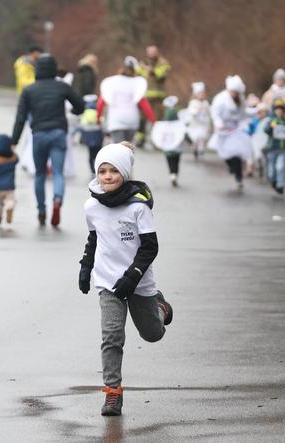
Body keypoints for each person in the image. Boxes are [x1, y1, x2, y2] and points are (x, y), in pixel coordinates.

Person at [78, 142, 173, 417]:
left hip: (138, 281)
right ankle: (112, 393)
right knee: (112, 336)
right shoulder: (91, 206)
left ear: (125, 173)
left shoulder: (138, 208)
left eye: (113, 171)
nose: (107, 176)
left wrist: (133, 275)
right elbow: (94, 238)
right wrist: (86, 266)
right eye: (102, 171)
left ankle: (160, 306)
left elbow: (149, 247)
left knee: (153, 334)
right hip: (108, 281)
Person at [11, 54, 84, 227]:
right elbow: (80, 106)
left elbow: (20, 117)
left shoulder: (29, 90)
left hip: (39, 135)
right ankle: (57, 200)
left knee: (40, 174)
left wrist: (14, 141)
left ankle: (41, 209)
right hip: (59, 133)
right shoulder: (62, 86)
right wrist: (73, 112)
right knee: (58, 173)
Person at [208, 75, 253, 189]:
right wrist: (218, 123)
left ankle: (239, 177)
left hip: (236, 129)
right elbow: (215, 113)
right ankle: (232, 168)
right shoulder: (220, 99)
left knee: (236, 153)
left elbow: (244, 114)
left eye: (237, 92)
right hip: (223, 129)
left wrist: (246, 122)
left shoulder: (241, 99)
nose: (235, 94)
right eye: (233, 91)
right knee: (225, 154)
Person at [97, 56, 156, 144]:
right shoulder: (137, 83)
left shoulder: (111, 82)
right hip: (132, 119)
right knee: (128, 148)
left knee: (118, 148)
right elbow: (144, 104)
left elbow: (101, 102)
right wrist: (153, 120)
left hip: (116, 119)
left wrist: (97, 118)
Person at [135, 45, 171, 147]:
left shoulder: (163, 63)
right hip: (145, 96)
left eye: (153, 52)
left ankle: (157, 141)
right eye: (149, 52)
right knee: (142, 119)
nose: (151, 54)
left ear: (157, 52)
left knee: (157, 120)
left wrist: (151, 70)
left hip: (158, 97)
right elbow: (138, 76)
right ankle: (140, 139)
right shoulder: (143, 63)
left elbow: (161, 75)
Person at [264, 99, 285, 195]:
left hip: (283, 149)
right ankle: (273, 181)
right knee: (271, 170)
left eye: (281, 110)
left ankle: (281, 185)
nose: (279, 112)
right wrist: (271, 126)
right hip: (272, 149)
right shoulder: (271, 121)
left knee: (280, 167)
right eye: (277, 110)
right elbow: (266, 131)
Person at [152, 95, 184, 186]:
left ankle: (171, 174)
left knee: (170, 161)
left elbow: (157, 135)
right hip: (177, 149)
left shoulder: (162, 125)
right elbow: (184, 134)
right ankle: (175, 174)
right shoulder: (179, 125)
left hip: (167, 149)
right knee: (176, 162)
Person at [80, 94, 104, 176]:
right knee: (99, 154)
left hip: (89, 136)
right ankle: (99, 169)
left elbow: (82, 124)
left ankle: (92, 170)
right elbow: (102, 123)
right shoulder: (97, 111)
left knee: (91, 154)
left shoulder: (85, 112)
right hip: (98, 135)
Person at [186, 82, 211, 160]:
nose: (201, 95)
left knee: (202, 136)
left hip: (203, 122)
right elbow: (191, 112)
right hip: (195, 123)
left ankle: (201, 149)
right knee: (195, 137)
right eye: (200, 94)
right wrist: (197, 111)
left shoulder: (206, 103)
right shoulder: (193, 103)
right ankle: (195, 148)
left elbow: (209, 111)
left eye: (202, 94)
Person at [247, 103, 270, 178]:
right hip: (256, 140)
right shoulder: (254, 121)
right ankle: (259, 166)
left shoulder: (269, 121)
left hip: (266, 140)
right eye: (259, 112)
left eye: (262, 112)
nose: (261, 113)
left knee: (266, 156)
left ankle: (267, 170)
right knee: (258, 155)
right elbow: (249, 131)